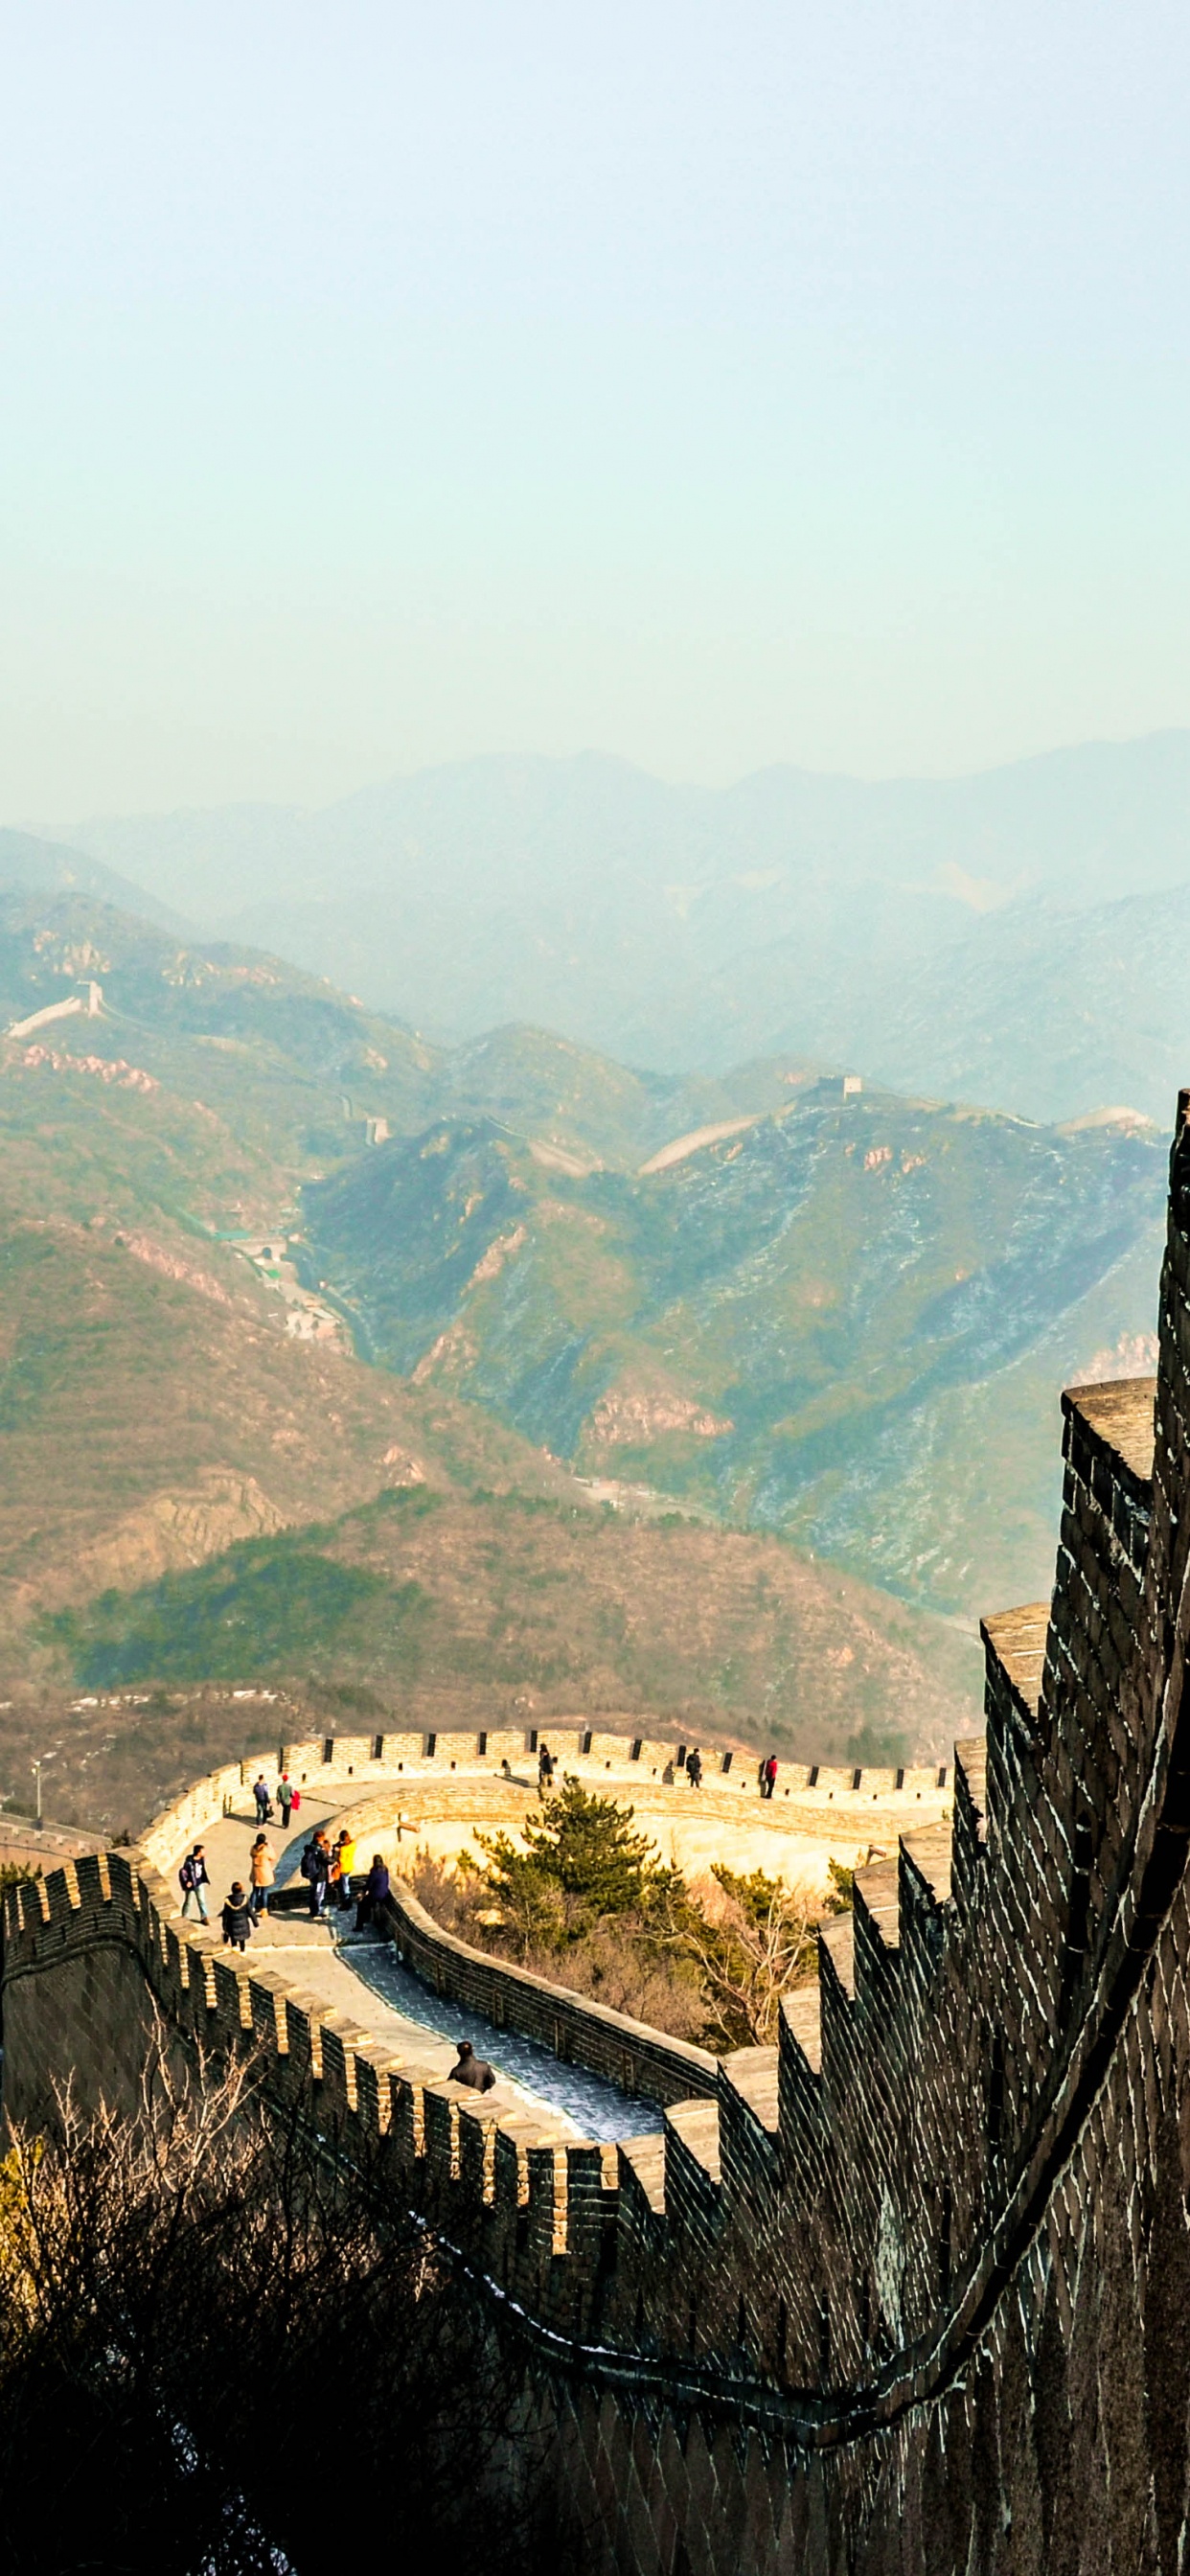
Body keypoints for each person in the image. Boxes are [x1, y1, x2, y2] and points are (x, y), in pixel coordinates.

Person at [355, 1853, 390, 1932]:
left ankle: (359, 1926)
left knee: (361, 1904)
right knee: (369, 1903)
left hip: (376, 1895)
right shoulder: (385, 1870)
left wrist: (362, 1892)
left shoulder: (374, 1871)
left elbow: (369, 1885)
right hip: (385, 1895)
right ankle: (370, 1919)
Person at [302, 1829, 332, 1918]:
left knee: (313, 1892)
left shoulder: (310, 1847)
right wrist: (335, 1855)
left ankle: (313, 1910)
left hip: (313, 1874)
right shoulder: (319, 1850)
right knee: (319, 1893)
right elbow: (328, 1860)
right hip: (320, 1874)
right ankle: (317, 1911)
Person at [179, 1844, 210, 1923]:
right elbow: (184, 1872)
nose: (205, 1852)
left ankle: (204, 1917)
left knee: (201, 1901)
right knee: (188, 1901)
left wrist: (205, 1879)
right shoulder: (189, 1861)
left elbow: (202, 1870)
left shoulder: (202, 1859)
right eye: (203, 1851)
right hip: (191, 1885)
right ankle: (184, 1916)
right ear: (198, 1852)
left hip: (199, 1883)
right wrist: (187, 1881)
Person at [221, 1881, 254, 1951]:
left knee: (233, 1941)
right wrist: (255, 1922)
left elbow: (225, 1915)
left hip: (232, 1926)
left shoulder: (228, 1901)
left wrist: (224, 1926)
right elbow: (250, 1912)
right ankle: (242, 1950)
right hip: (243, 1924)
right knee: (242, 1941)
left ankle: (234, 1951)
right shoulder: (245, 1899)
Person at [249, 1833, 275, 1918]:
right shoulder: (265, 1850)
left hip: (256, 1873)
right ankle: (264, 1910)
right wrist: (270, 1847)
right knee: (264, 1893)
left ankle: (251, 1908)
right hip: (264, 1874)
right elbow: (273, 1857)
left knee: (254, 1892)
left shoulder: (253, 1849)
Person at [334, 1829, 357, 1910]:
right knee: (346, 1884)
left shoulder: (343, 1849)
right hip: (350, 1866)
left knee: (345, 1886)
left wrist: (338, 1852)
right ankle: (347, 1902)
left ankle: (347, 1903)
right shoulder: (353, 1844)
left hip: (344, 1868)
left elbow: (342, 1860)